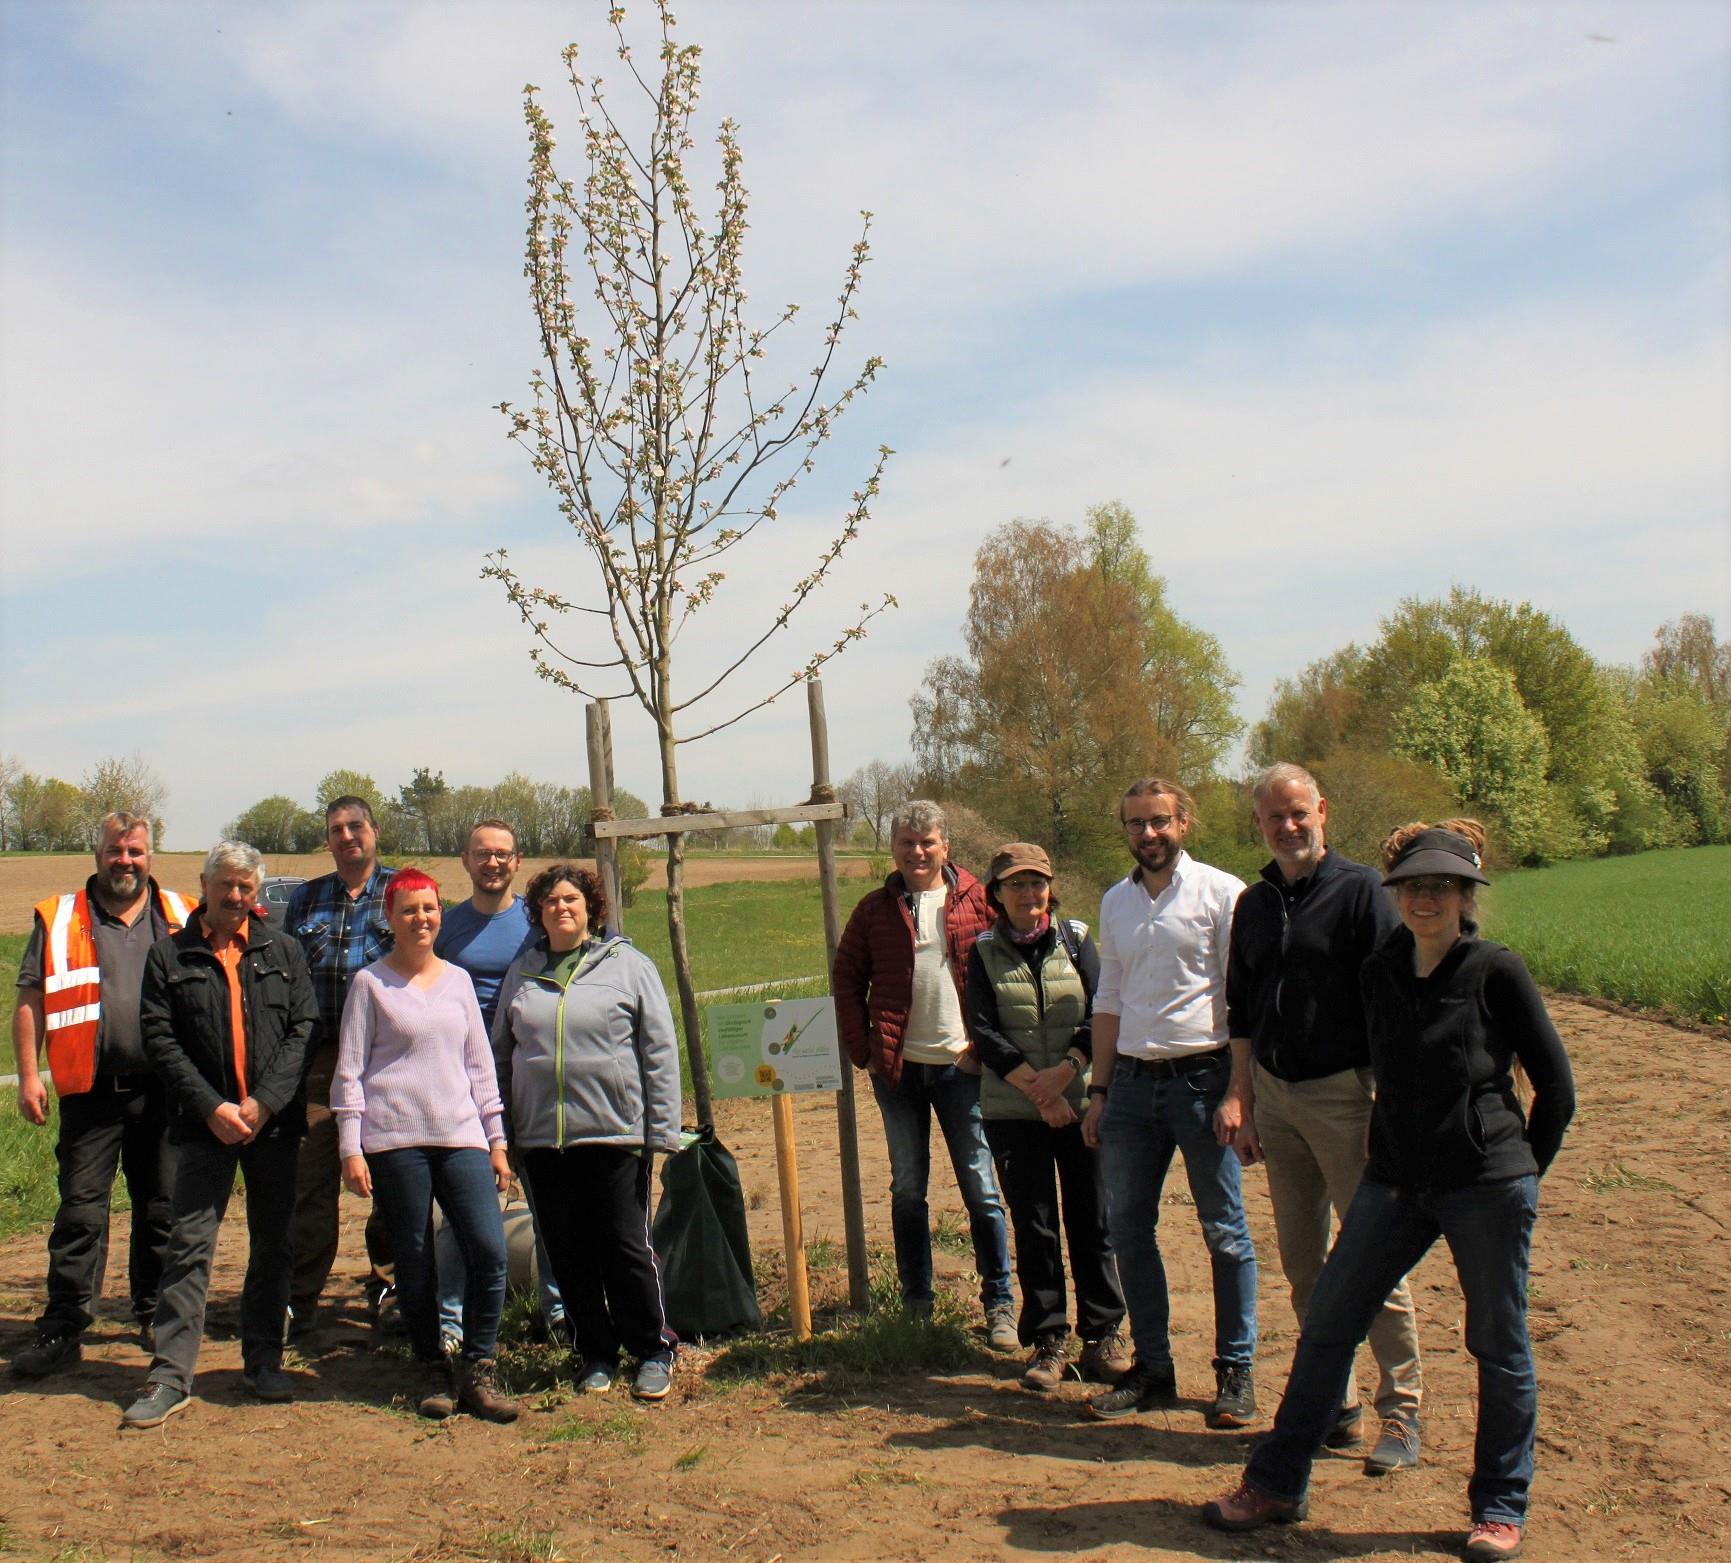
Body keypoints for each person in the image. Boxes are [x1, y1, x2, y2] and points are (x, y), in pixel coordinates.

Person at [1203, 820, 1576, 1563]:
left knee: (1497, 1345)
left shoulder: (1495, 969)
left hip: (1484, 1183)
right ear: (1395, 894)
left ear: (1466, 895)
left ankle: (1498, 1507)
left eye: (1441, 885)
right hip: (1396, 1182)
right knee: (1330, 1319)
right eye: (1411, 885)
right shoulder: (1379, 968)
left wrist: (1520, 1173)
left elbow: (1556, 1089)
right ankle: (1276, 1482)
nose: (1425, 898)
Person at [1225, 763, 1424, 1473]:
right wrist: (1241, 1096)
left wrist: (1385, 1103)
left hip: (1346, 1095)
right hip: (1275, 1100)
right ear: (1259, 824)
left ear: (1322, 812)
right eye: (1274, 816)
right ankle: (1330, 1400)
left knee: (1372, 1257)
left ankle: (1399, 1410)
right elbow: (1240, 1010)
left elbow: (1393, 1002)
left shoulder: (1362, 891)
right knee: (1304, 1262)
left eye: (1298, 813)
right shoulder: (1253, 903)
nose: (1287, 825)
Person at [121, 842, 319, 1428]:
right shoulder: (169, 956)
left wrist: (263, 1103)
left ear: (257, 894)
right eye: (227, 886)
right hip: (202, 1126)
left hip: (271, 1125)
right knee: (189, 1245)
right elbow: (160, 1039)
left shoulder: (283, 951)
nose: (236, 897)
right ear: (204, 886)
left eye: (246, 889)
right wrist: (211, 1107)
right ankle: (170, 1374)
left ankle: (263, 1360)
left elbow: (303, 1029)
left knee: (273, 1243)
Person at [1081, 777, 1259, 1427]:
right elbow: (1109, 1000)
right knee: (1127, 1227)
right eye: (1134, 823)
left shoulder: (1221, 892)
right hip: (1128, 1085)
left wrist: (1240, 1091)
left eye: (1158, 821)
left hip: (1203, 1081)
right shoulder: (1115, 902)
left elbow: (1242, 1000)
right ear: (1123, 828)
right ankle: (1153, 1369)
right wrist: (1098, 1091)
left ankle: (1234, 1373)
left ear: (1184, 821)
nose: (1147, 834)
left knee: (1224, 1232)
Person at [9, 813, 193, 1380]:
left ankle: (153, 1313)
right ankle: (65, 1321)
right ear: (98, 853)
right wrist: (28, 1074)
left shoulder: (183, 915)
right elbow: (30, 998)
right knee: (80, 1213)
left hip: (164, 1091)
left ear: (150, 857)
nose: (126, 861)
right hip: (89, 1090)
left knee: (161, 1207)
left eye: (136, 852)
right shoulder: (60, 917)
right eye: (116, 851)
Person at [331, 867, 517, 1422]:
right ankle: (432, 1365)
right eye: (409, 910)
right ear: (389, 918)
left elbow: (481, 1067)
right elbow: (350, 1073)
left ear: (441, 913)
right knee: (414, 1260)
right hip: (395, 1142)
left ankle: (479, 1367)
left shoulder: (458, 982)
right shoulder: (370, 985)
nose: (421, 919)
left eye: (430, 909)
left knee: (489, 1249)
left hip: (460, 1135)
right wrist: (350, 1147)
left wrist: (497, 1141)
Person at [492, 864, 681, 1402]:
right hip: (542, 1141)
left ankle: (651, 1349)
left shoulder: (626, 966)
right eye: (550, 901)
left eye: (571, 899)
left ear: (592, 908)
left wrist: (660, 1131)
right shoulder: (522, 973)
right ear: (538, 912)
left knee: (625, 1247)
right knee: (567, 1251)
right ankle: (594, 1352)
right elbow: (502, 1055)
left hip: (615, 1133)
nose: (561, 908)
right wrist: (504, 1133)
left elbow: (659, 1050)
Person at [832, 800, 1016, 1349]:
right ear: (894, 850)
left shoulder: (981, 903)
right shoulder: (873, 911)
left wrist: (986, 1051)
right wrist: (862, 1050)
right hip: (899, 1070)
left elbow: (1006, 976)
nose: (917, 852)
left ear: (945, 847)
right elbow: (846, 979)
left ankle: (1000, 1304)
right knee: (908, 1188)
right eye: (907, 843)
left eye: (927, 842)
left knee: (982, 1189)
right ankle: (917, 1300)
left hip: (964, 1068)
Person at [966, 842, 1128, 1392]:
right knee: (1035, 1226)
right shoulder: (982, 950)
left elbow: (1101, 1011)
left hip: (1081, 1104)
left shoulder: (1078, 940)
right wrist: (1040, 1092)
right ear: (997, 893)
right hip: (1015, 1109)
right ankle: (1049, 1340)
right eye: (1015, 884)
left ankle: (1104, 1334)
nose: (1028, 894)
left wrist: (1067, 1073)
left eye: (1036, 883)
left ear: (1049, 888)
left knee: (1094, 1220)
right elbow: (984, 1031)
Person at [432, 819, 564, 1352]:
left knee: (548, 1201)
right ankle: (450, 1321)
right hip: (461, 1086)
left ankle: (557, 1311)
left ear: (517, 862)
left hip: (528, 1080)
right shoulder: (446, 928)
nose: (493, 862)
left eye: (503, 854)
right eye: (482, 854)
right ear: (465, 861)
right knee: (461, 1207)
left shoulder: (538, 926)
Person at [284, 795, 395, 1340]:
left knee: (395, 1177)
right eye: (336, 829)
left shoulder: (403, 892)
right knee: (312, 1181)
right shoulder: (305, 900)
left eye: (356, 826)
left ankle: (391, 1288)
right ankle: (299, 1300)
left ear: (375, 831)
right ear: (327, 840)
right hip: (322, 1059)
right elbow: (284, 978)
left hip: (391, 1057)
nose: (347, 836)